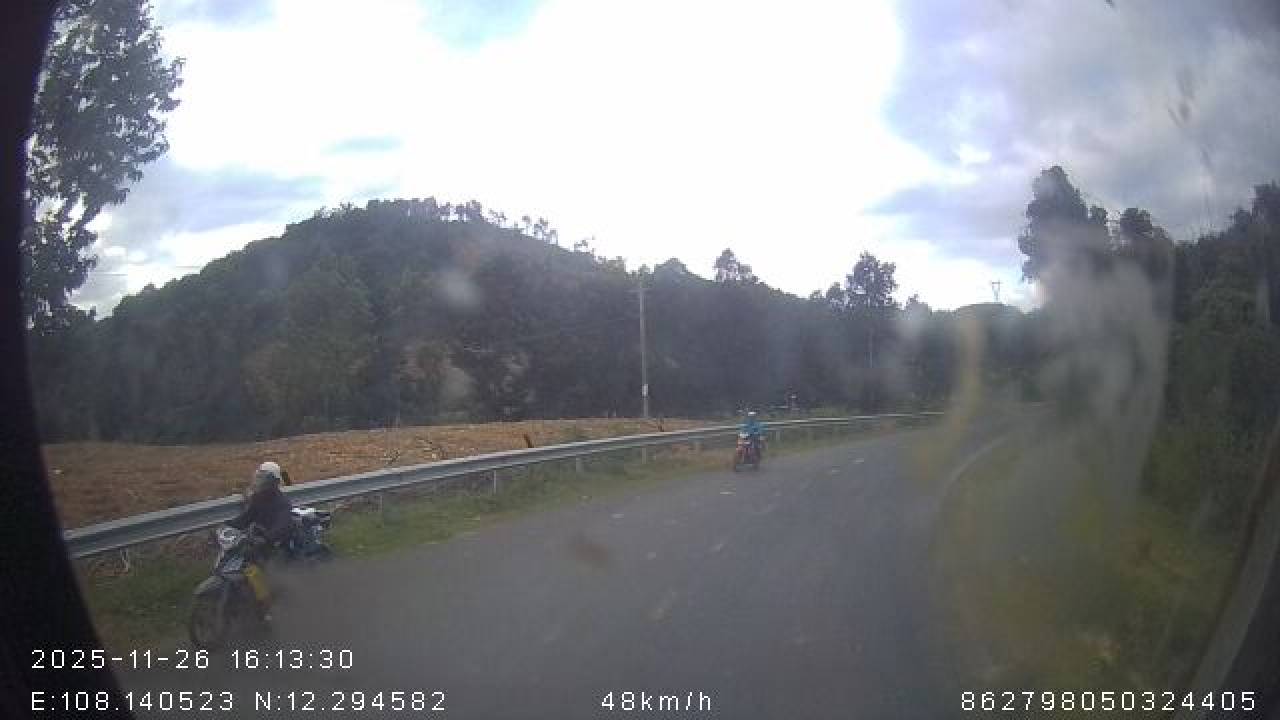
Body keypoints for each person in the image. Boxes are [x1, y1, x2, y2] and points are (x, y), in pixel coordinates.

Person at [228, 461, 295, 549]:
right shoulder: (258, 498)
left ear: (274, 482)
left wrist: (265, 539)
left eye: (264, 479)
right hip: (259, 542)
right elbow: (247, 517)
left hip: (277, 547)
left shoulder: (283, 503)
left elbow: (280, 527)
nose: (260, 482)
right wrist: (229, 526)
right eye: (259, 477)